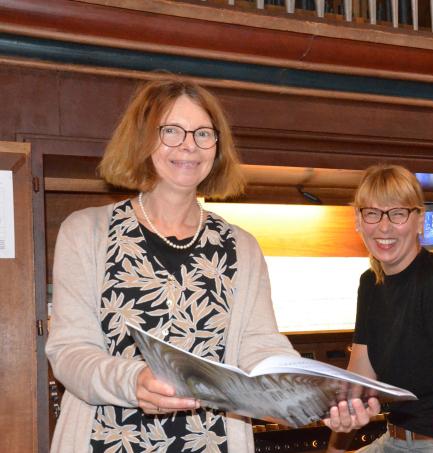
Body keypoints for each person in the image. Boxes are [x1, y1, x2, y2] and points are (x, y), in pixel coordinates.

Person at [46, 77, 376, 452]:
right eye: (171, 130)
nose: (189, 145)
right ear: (142, 138)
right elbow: (70, 352)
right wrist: (133, 380)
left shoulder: (241, 247)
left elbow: (261, 348)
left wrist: (320, 398)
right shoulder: (86, 232)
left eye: (203, 133)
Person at [326, 164, 433, 452]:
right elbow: (359, 382)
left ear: (419, 221)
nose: (384, 226)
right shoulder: (370, 283)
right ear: (358, 221)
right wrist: (334, 449)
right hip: (394, 438)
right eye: (372, 213)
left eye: (398, 213)